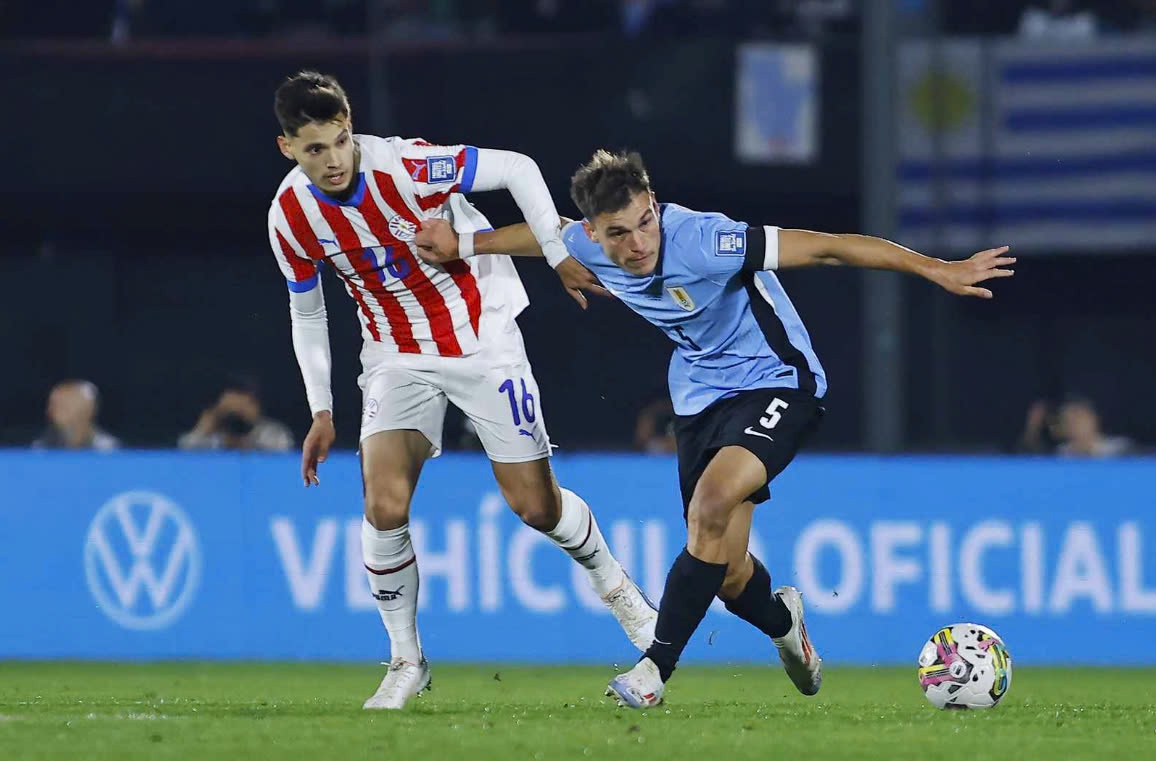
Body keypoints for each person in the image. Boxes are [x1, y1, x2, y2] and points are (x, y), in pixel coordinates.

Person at [413, 149, 1015, 708]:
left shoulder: (707, 239)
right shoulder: (583, 243)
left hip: (777, 380)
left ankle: (654, 670)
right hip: (700, 401)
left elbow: (830, 247)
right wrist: (462, 242)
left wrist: (936, 268)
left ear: (654, 201)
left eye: (645, 222)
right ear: (593, 232)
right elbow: (539, 237)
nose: (639, 242)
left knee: (710, 505)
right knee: (726, 573)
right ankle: (785, 626)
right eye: (618, 233)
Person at [266, 73, 656, 710]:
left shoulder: (409, 164)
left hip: (481, 337)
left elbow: (519, 169)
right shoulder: (290, 217)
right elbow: (307, 311)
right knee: (383, 501)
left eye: (339, 141)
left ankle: (620, 593)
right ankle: (405, 660)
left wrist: (558, 254)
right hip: (395, 353)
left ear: (351, 125)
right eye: (314, 149)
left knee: (536, 507)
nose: (332, 159)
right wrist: (321, 407)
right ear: (287, 148)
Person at [178, 377, 294, 452]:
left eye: (243, 404)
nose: (237, 411)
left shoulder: (272, 432)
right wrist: (204, 428)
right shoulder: (213, 434)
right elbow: (183, 452)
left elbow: (283, 458)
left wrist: (245, 441)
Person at [32, 380, 120, 451]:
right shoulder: (42, 448)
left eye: (61, 405)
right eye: (52, 404)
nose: (50, 411)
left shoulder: (109, 450)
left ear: (87, 409)